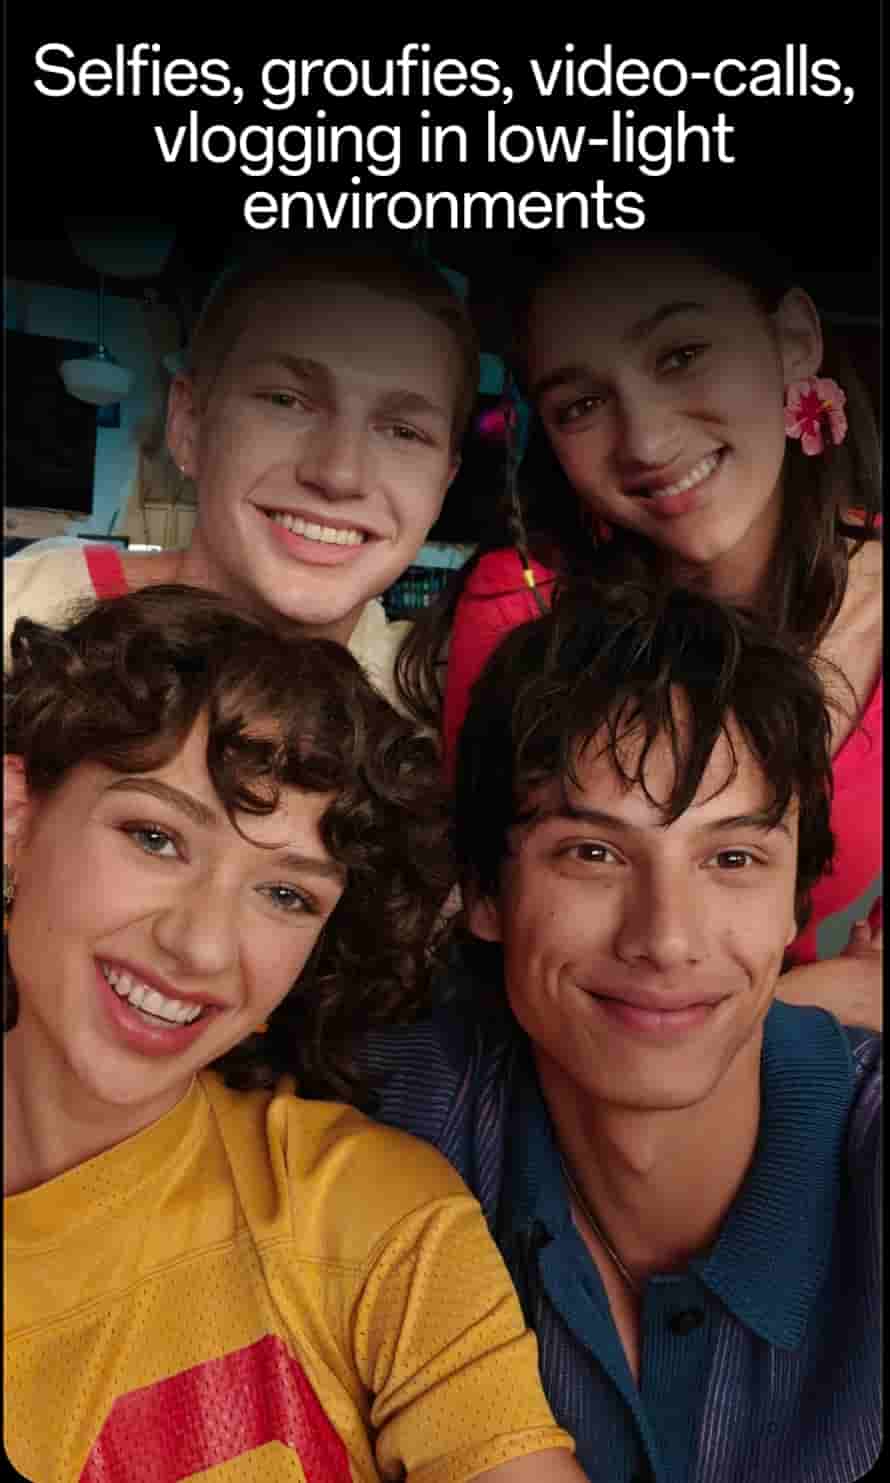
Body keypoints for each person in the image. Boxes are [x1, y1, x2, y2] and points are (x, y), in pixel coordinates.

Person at [3, 585, 586, 1483]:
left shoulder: (368, 1217)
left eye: (285, 894)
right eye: (155, 837)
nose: (201, 945)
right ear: (16, 816)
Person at [365, 584, 881, 1482]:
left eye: (733, 857)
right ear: (484, 892)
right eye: (593, 853)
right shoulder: (375, 1118)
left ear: (794, 902)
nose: (665, 937)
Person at [397, 231, 881, 1020]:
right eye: (580, 406)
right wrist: (814, 1001)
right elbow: (493, 945)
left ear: (793, 340)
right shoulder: (522, 603)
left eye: (681, 355)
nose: (647, 441)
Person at [4, 238, 477, 708]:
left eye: (403, 432)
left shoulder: (442, 708)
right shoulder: (22, 606)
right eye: (286, 401)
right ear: (189, 424)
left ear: (444, 484)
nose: (339, 475)